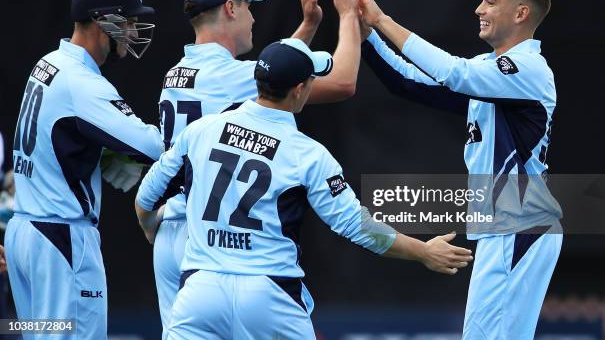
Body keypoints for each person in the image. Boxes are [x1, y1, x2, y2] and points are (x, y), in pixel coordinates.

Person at [136, 37, 473, 339]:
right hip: (269, 297)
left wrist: (150, 225)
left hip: (200, 292)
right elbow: (358, 226)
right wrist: (423, 251)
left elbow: (147, 194)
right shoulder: (308, 154)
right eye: (311, 80)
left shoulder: (202, 129)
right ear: (299, 89)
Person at [151, 0, 364, 337]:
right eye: (248, 6)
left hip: (175, 234)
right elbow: (343, 81)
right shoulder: (234, 77)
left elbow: (276, 70)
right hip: (215, 244)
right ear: (230, 9)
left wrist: (308, 27)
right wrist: (347, 15)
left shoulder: (177, 72)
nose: (253, 17)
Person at [352, 0, 562, 338]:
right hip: (509, 226)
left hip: (519, 223)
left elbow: (453, 72)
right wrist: (366, 33)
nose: (478, 9)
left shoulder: (527, 68)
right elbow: (408, 82)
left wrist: (381, 18)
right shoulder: (492, 71)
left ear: (521, 13)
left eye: (490, 2)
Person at [4, 0, 164, 340]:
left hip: (25, 233)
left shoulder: (48, 62)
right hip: (62, 238)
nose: (133, 28)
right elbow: (151, 145)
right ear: (101, 20)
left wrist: (102, 155)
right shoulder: (83, 82)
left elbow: (60, 135)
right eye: (127, 19)